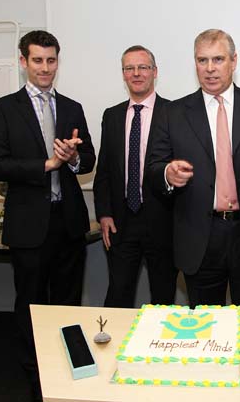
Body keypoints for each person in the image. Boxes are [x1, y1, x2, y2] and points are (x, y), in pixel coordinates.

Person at [148, 29, 240, 311]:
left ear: (234, 61)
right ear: (195, 64)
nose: (210, 69)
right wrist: (167, 173)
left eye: (218, 59)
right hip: (199, 237)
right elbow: (153, 167)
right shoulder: (174, 112)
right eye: (202, 60)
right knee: (205, 328)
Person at [0, 30, 95, 401]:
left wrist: (74, 157)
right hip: (30, 225)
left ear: (57, 62)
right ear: (23, 62)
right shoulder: (2, 108)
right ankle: (36, 376)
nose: (45, 67)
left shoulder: (72, 107)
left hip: (68, 223)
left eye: (51, 60)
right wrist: (48, 163)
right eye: (37, 60)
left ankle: (67, 369)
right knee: (31, 304)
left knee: (67, 303)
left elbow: (89, 160)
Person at [93, 45, 177, 308]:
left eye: (143, 67)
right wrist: (104, 213)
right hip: (121, 223)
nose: (136, 73)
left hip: (164, 223)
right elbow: (104, 169)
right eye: (129, 68)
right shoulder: (112, 115)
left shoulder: (176, 113)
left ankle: (160, 349)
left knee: (163, 298)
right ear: (123, 74)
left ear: (155, 72)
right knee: (118, 295)